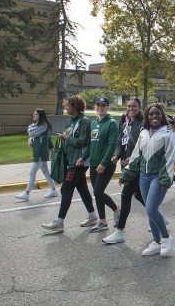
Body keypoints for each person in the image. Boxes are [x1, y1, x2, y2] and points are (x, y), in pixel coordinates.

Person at [119, 103, 175, 257]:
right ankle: (156, 242)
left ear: (162, 115)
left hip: (158, 177)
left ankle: (166, 238)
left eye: (157, 113)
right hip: (143, 176)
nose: (154, 116)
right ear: (147, 117)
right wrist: (126, 175)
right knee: (149, 211)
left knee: (151, 208)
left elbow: (170, 159)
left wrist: (166, 179)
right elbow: (136, 156)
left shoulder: (168, 134)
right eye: (151, 114)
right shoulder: (144, 132)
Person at [42, 95, 97, 232]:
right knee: (82, 189)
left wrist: (67, 138)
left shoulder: (85, 122)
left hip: (79, 162)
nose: (65, 108)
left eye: (67, 105)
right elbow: (69, 141)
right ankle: (93, 216)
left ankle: (59, 222)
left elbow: (83, 142)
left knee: (66, 189)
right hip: (70, 161)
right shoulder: (69, 121)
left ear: (75, 107)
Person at [103, 97, 145, 244]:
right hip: (126, 165)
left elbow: (145, 146)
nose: (131, 108)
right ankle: (159, 217)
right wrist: (116, 155)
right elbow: (120, 143)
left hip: (138, 166)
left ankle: (119, 231)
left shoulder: (143, 124)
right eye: (129, 106)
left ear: (139, 107)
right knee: (138, 194)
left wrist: (133, 158)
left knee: (126, 194)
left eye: (134, 106)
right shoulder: (125, 125)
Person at [78, 97, 119, 232]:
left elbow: (112, 145)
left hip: (105, 164)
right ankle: (102, 221)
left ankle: (115, 210)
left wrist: (103, 163)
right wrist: (83, 158)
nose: (100, 108)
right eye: (98, 105)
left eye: (103, 106)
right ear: (95, 107)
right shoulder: (93, 122)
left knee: (98, 191)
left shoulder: (112, 123)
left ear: (108, 107)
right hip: (94, 164)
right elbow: (90, 144)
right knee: (98, 194)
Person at [15, 109, 58, 201]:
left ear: (40, 116)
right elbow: (32, 131)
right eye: (33, 114)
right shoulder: (39, 125)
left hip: (40, 153)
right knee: (46, 172)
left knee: (32, 173)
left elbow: (31, 132)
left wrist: (31, 134)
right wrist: (32, 137)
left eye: (36, 114)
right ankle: (53, 190)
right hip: (39, 151)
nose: (33, 115)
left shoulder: (43, 125)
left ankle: (27, 193)